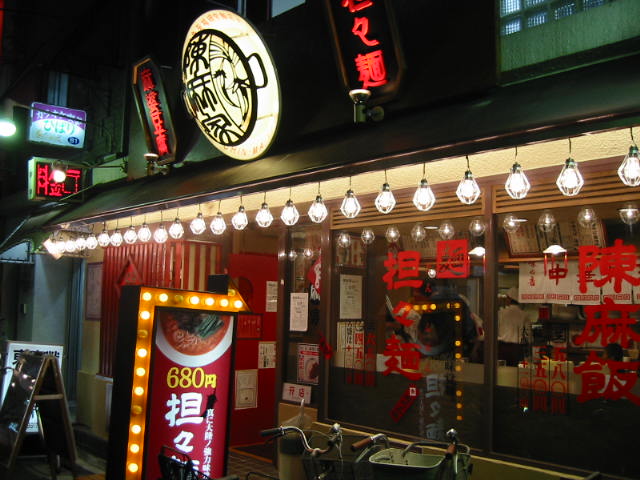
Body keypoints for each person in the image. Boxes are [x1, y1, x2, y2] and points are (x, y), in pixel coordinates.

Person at [497, 287, 529, 366]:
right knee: (515, 373)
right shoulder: (524, 315)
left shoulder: (500, 313)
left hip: (501, 348)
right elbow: (528, 336)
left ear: (509, 299)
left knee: (501, 371)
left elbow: (495, 331)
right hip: (516, 349)